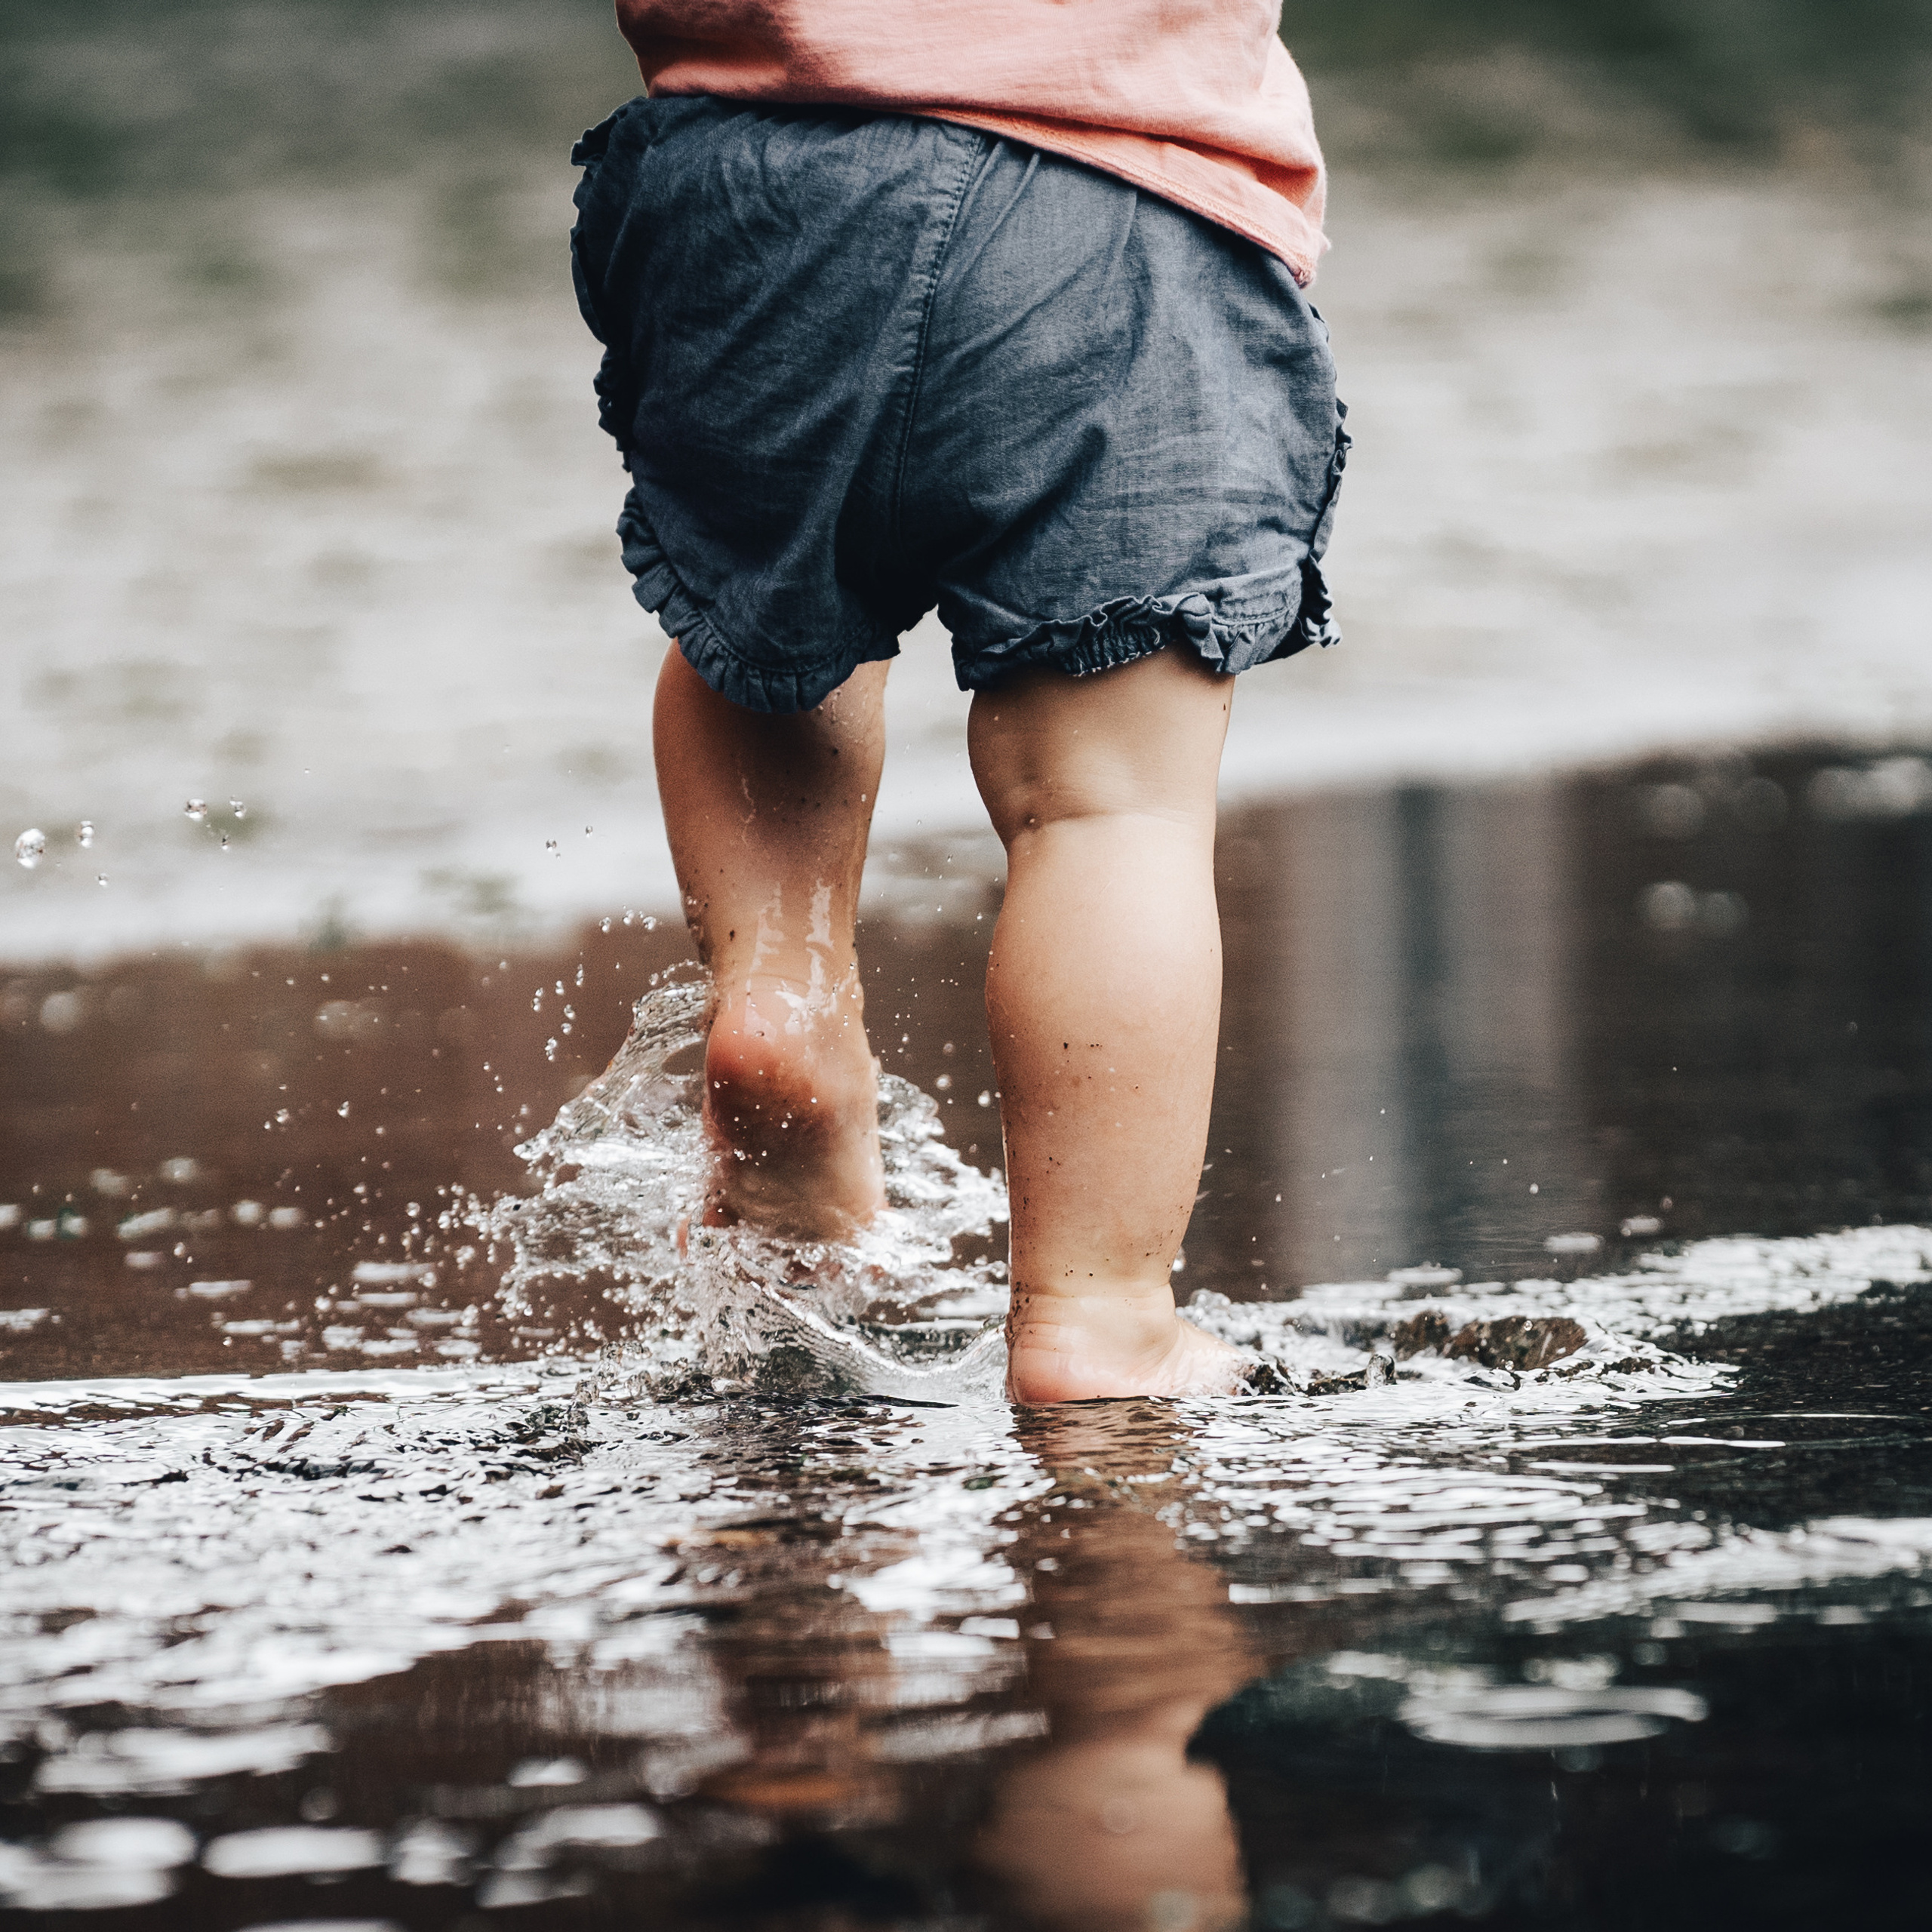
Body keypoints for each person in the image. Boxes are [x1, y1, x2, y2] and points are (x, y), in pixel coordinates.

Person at [570, 2, 1348, 1402]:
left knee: (770, 633)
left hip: (750, 193)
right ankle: (1098, 1315)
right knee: (1107, 800)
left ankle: (783, 994)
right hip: (1122, 189)